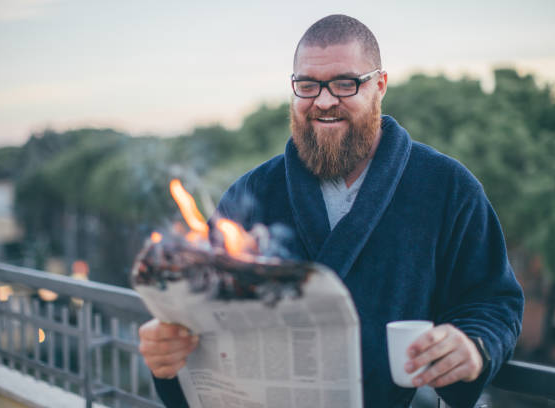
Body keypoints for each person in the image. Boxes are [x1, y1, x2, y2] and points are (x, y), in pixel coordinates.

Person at [139, 14, 524, 408]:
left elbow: (494, 299)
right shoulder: (252, 193)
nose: (323, 101)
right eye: (307, 86)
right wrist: (168, 352)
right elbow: (202, 311)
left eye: (345, 83)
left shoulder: (448, 187)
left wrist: (475, 345)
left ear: (380, 86)